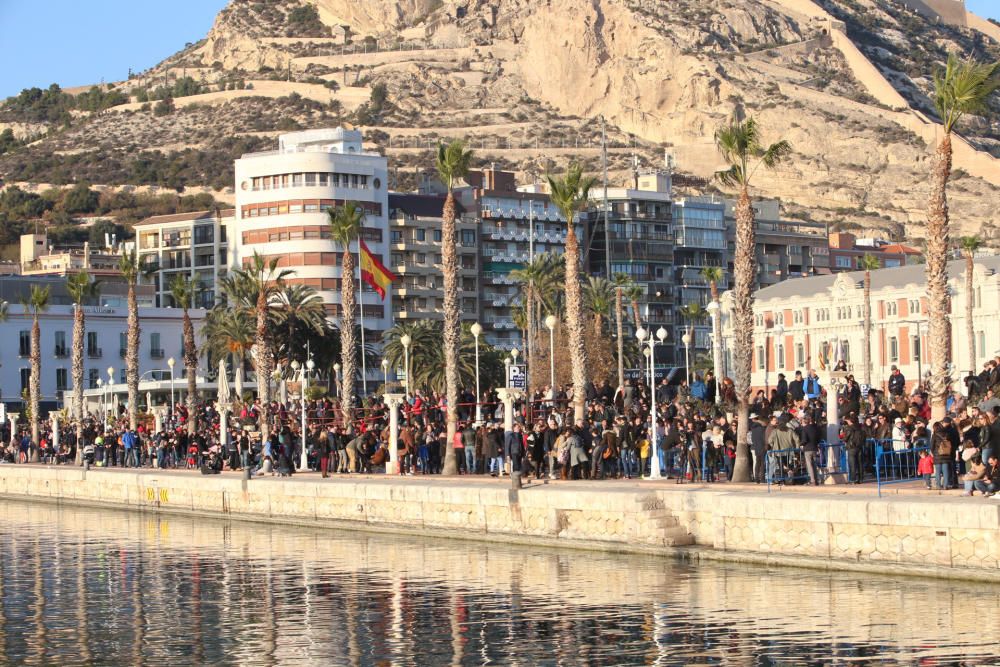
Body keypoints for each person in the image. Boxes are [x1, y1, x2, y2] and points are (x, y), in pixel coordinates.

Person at [841, 415, 865, 485]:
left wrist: (842, 434)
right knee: (860, 464)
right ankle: (860, 479)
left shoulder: (849, 428)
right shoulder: (860, 427)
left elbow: (845, 438)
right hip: (859, 447)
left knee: (852, 464)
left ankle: (852, 479)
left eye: (848, 420)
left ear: (851, 421)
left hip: (852, 447)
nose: (847, 422)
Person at [931, 422, 953, 490]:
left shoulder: (934, 435)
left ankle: (938, 485)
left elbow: (932, 445)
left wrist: (933, 452)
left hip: (937, 454)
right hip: (946, 454)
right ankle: (945, 485)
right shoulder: (947, 434)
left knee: (938, 471)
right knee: (945, 471)